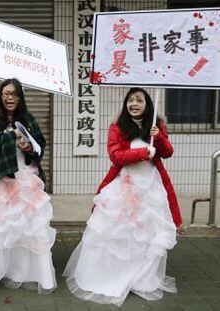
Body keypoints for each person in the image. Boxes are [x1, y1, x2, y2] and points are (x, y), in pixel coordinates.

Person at [63, 87, 185, 306]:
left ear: (147, 104)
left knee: (145, 233)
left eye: (139, 100)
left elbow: (167, 152)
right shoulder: (117, 125)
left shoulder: (156, 125)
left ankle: (140, 279)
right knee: (119, 232)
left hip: (150, 188)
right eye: (130, 100)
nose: (134, 104)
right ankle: (112, 276)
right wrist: (142, 153)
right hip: (124, 187)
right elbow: (116, 156)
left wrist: (158, 139)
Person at [0, 78, 57, 300]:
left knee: (27, 226)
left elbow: (40, 146)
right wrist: (11, 136)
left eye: (14, 94)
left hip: (24, 178)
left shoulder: (28, 119)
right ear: (0, 95)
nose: (9, 98)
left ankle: (22, 271)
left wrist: (28, 147)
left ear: (20, 98)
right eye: (6, 93)